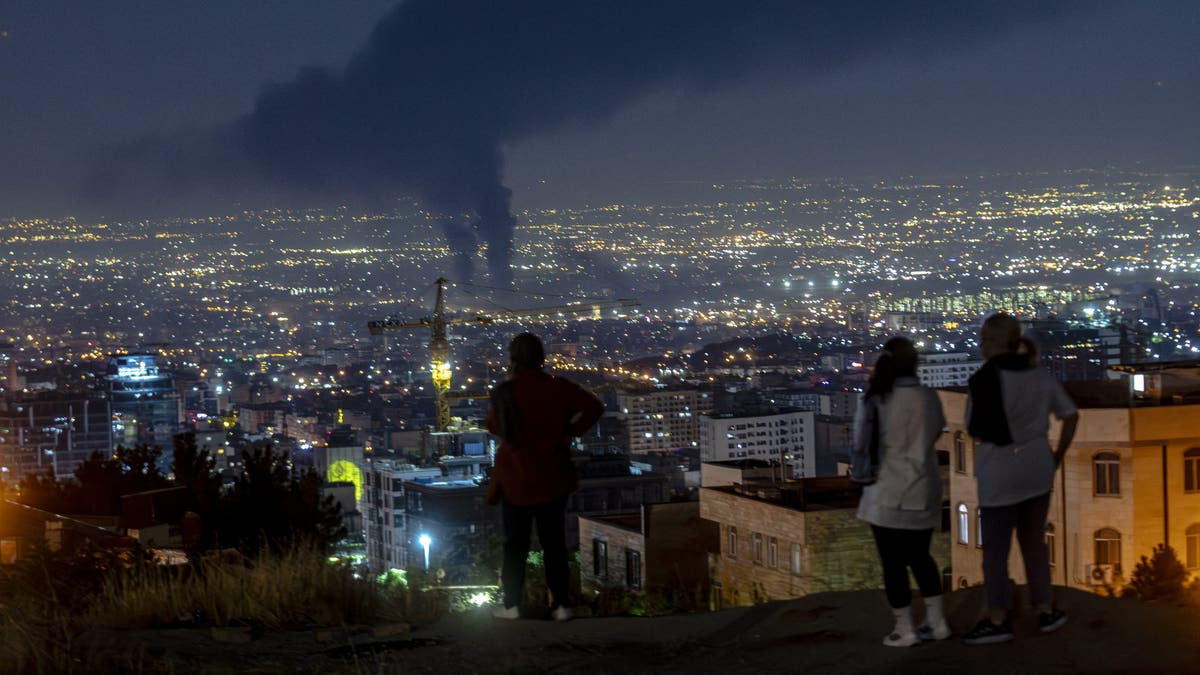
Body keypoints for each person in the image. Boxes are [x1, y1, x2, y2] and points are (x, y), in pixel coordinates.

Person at [961, 313, 1079, 645]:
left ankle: (997, 617)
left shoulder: (984, 380)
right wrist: (1056, 456)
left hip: (999, 470)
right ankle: (1044, 609)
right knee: (1034, 543)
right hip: (1038, 465)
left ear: (996, 341)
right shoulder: (1039, 375)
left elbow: (973, 427)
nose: (981, 344)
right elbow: (1071, 416)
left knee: (996, 551)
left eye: (984, 338)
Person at [486, 332, 604, 621]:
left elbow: (493, 426)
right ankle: (561, 605)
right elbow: (594, 407)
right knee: (554, 543)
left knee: (515, 545)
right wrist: (570, 432)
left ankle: (512, 605)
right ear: (542, 358)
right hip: (553, 475)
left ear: (513, 358)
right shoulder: (557, 388)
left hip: (516, 478)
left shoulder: (505, 392)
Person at [851, 337, 950, 647]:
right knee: (922, 557)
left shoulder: (877, 398)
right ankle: (936, 622)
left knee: (892, 563)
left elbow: (860, 445)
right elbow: (935, 432)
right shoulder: (929, 396)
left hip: (887, 491)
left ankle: (904, 628)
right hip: (924, 487)